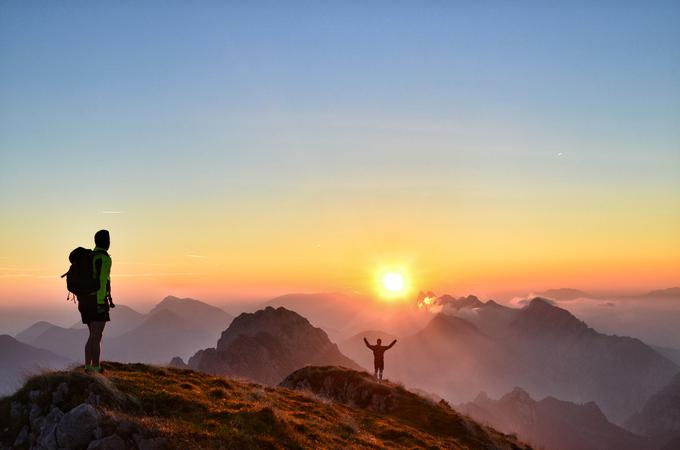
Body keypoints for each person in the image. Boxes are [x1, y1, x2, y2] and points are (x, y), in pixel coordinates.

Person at [78, 229, 114, 374]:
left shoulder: (90, 257)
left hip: (84, 302)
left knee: (92, 335)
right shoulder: (104, 258)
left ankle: (88, 366)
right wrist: (101, 302)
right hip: (96, 302)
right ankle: (96, 368)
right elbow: (102, 281)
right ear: (107, 242)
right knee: (96, 336)